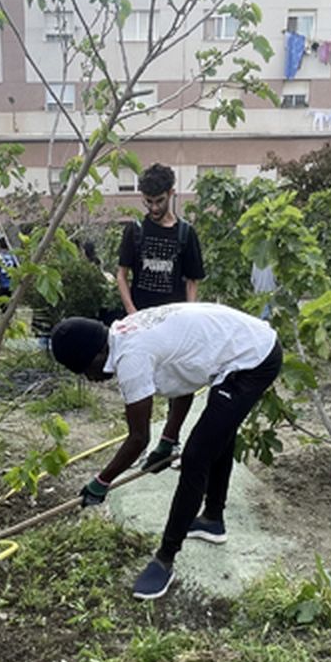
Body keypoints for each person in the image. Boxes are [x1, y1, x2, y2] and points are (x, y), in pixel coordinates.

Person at [49, 303, 283, 600]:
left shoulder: (131, 357)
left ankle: (165, 558)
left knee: (197, 454)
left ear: (95, 357)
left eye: (85, 371)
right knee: (217, 432)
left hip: (254, 357)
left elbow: (137, 439)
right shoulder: (124, 331)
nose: (89, 379)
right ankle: (212, 520)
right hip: (238, 349)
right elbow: (181, 382)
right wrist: (168, 441)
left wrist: (102, 481)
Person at [115, 162, 207, 468]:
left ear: (171, 193)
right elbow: (121, 274)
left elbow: (192, 280)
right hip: (142, 320)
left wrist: (190, 314)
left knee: (181, 378)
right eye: (148, 201)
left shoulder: (185, 233)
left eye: (159, 201)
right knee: (141, 382)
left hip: (176, 320)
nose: (153, 207)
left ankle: (171, 438)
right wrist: (131, 312)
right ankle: (140, 442)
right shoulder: (136, 231)